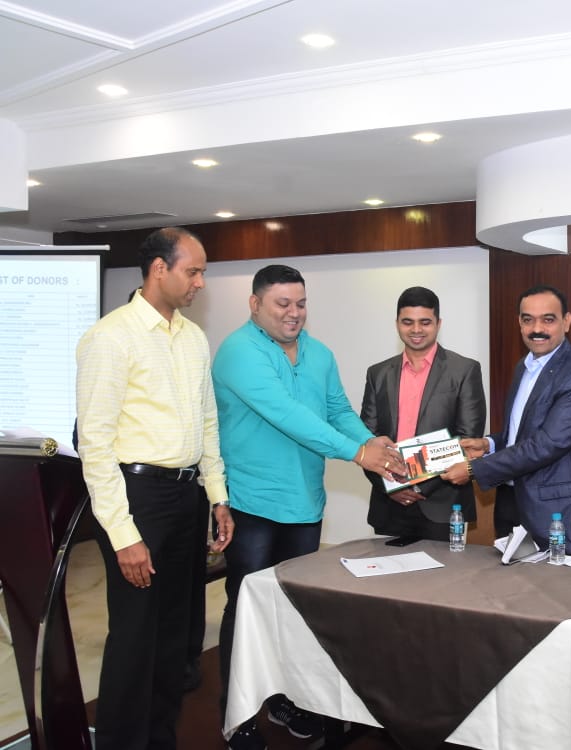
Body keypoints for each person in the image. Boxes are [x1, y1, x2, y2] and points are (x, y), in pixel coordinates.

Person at [212, 264, 405, 750]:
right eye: (282, 304)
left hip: (304, 503)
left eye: (300, 303)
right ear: (255, 304)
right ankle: (237, 715)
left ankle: (283, 698)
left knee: (291, 609)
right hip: (253, 502)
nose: (293, 313)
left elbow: (336, 410)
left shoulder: (318, 353)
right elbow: (288, 415)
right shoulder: (239, 352)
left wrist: (371, 442)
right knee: (248, 608)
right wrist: (358, 454)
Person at [76, 226, 234, 750]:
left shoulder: (193, 337)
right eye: (193, 271)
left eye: (203, 272)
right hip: (136, 498)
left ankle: (159, 739)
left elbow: (207, 424)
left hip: (187, 497)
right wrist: (123, 535)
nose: (201, 282)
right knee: (135, 637)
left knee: (175, 638)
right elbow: (95, 444)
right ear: (159, 270)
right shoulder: (111, 337)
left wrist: (217, 496)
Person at [444, 285, 571, 553]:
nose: (536, 329)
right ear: (519, 322)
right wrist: (489, 444)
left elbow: (546, 444)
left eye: (548, 319)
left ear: (566, 321)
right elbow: (521, 433)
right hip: (512, 504)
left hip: (557, 514)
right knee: (507, 581)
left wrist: (474, 469)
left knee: (558, 583)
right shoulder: (525, 366)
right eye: (528, 320)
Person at [360, 286, 486, 540]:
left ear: (438, 323)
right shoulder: (378, 373)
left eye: (425, 322)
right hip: (389, 503)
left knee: (443, 568)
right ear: (397, 324)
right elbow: (366, 437)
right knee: (388, 567)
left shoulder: (464, 370)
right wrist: (390, 486)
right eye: (408, 322)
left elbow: (466, 439)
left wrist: (414, 485)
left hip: (443, 503)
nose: (416, 330)